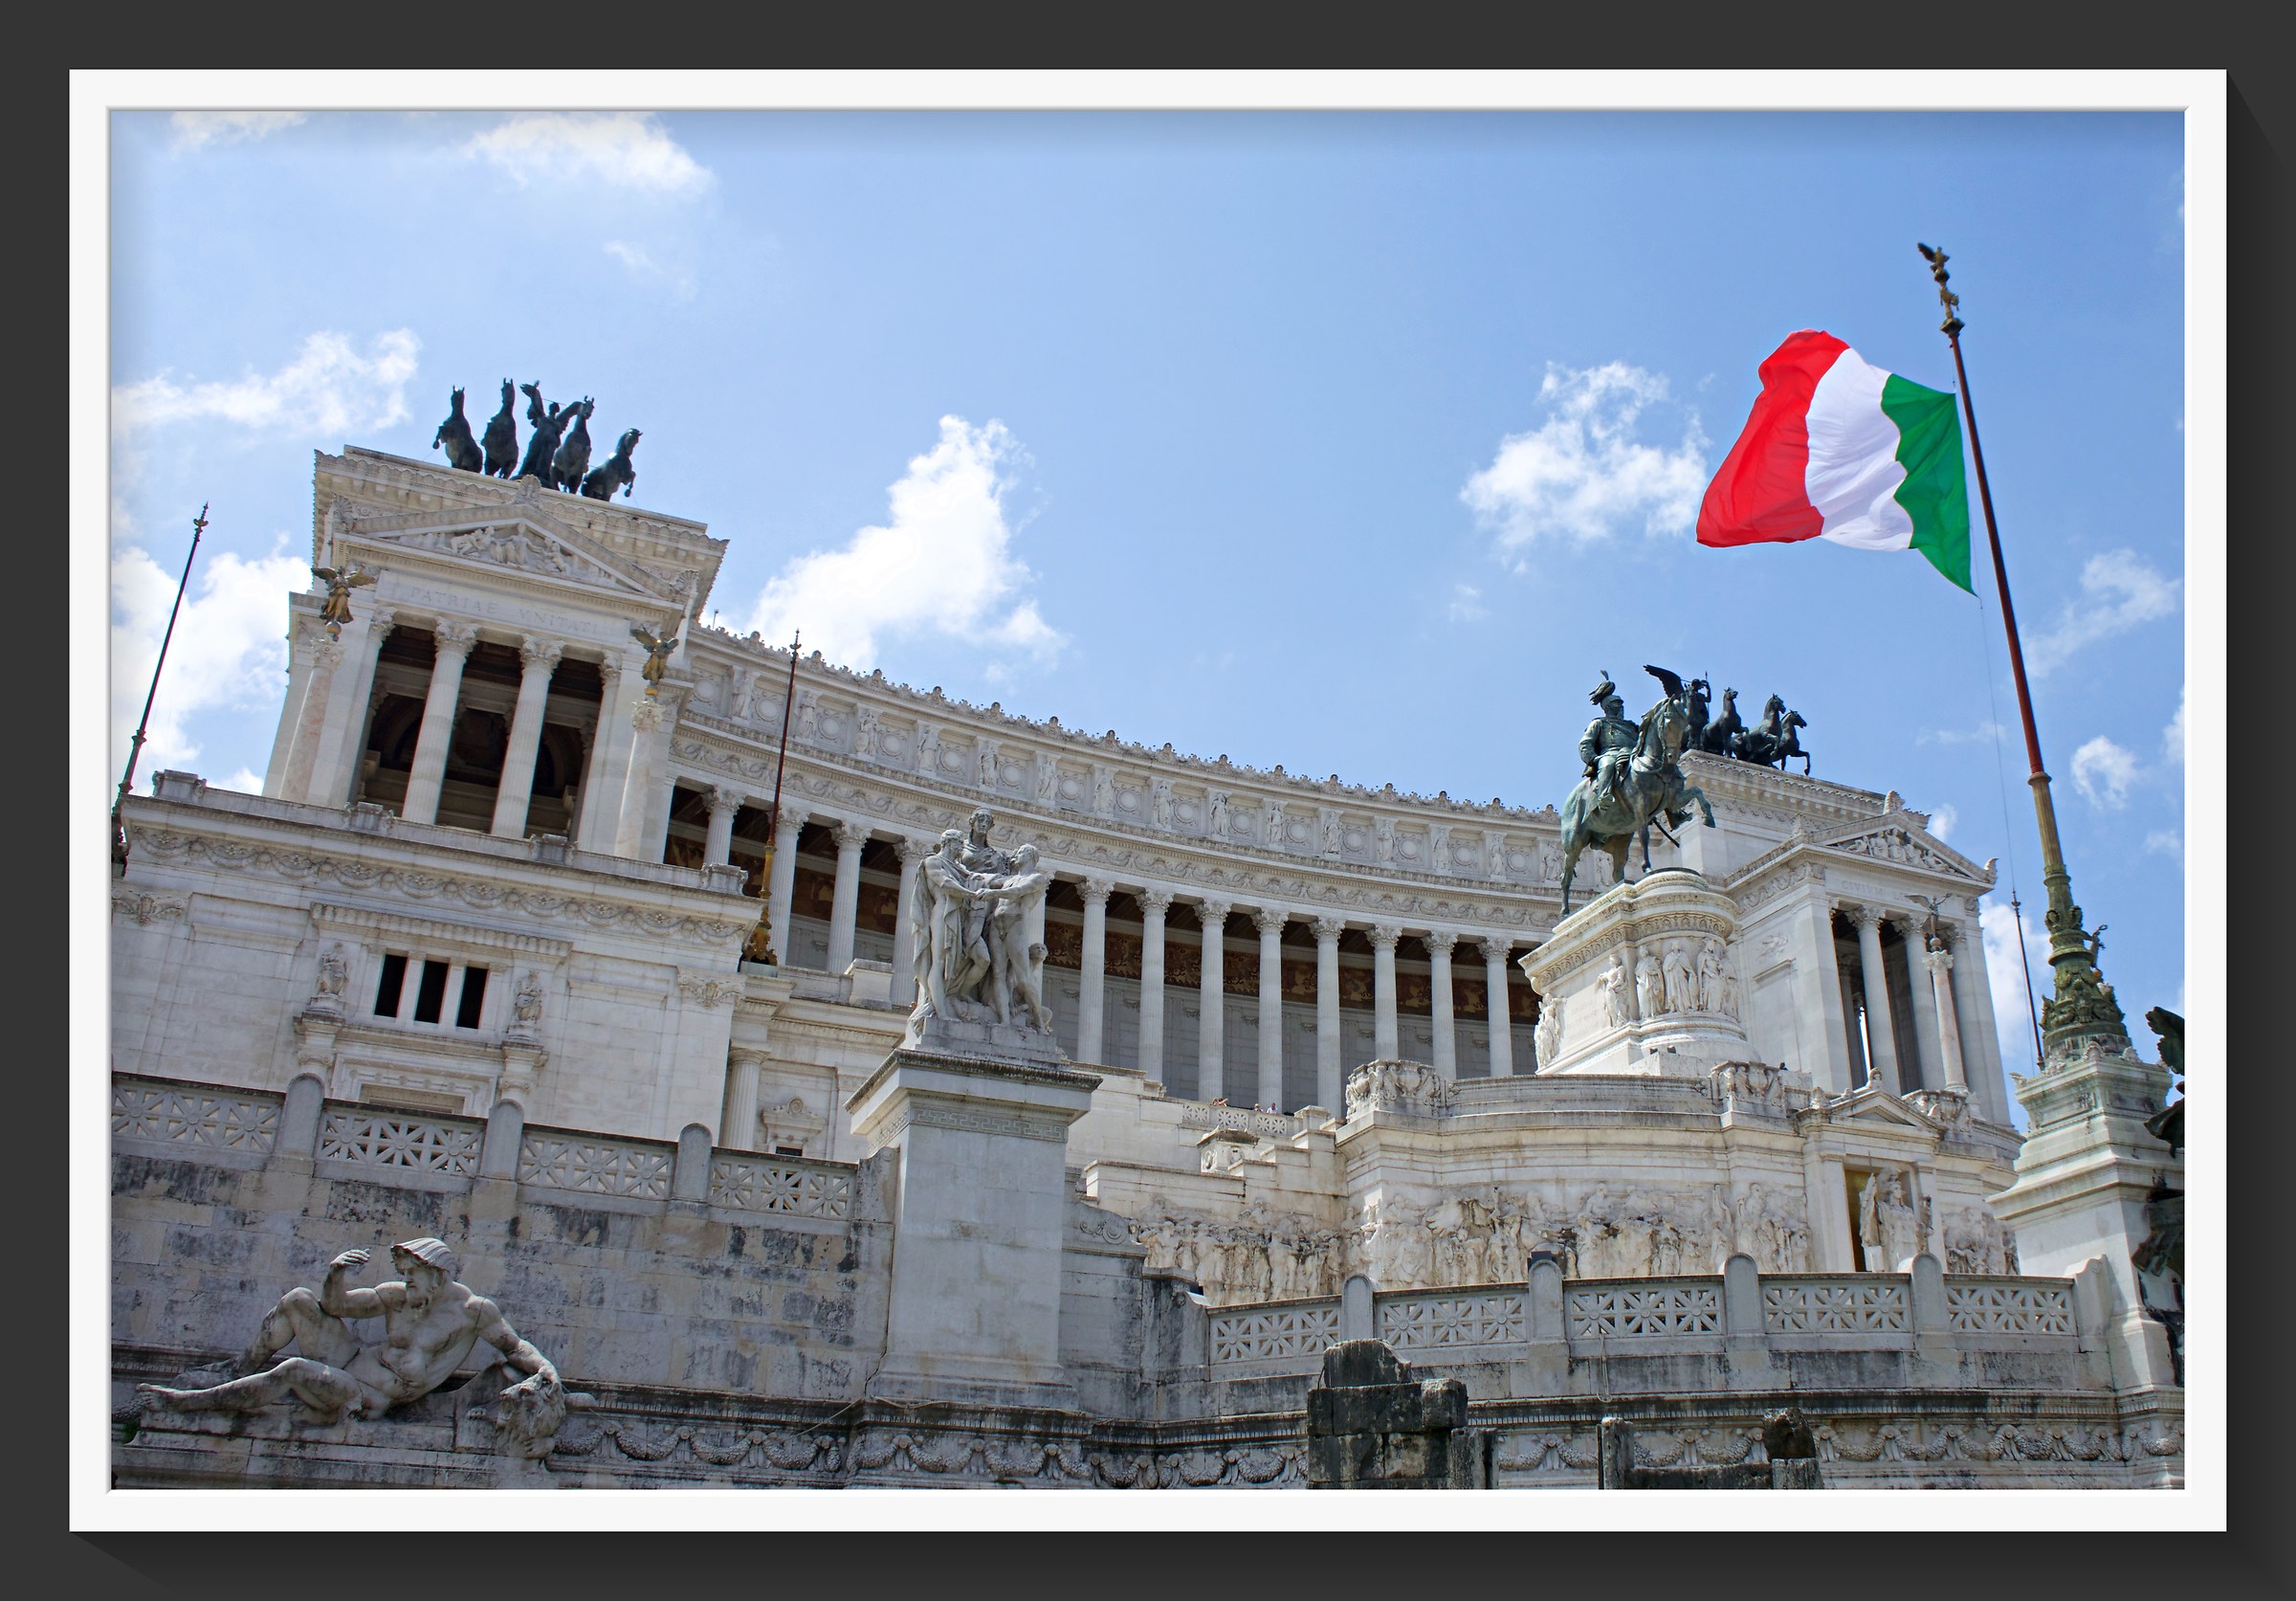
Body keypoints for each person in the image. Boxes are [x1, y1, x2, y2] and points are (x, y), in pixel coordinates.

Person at [137, 1239, 563, 1430]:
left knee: (293, 1370)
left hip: (367, 1394)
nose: (405, 1279)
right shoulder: (397, 1296)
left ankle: (189, 1404)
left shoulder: (473, 1312)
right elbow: (336, 1307)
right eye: (404, 1273)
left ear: (436, 1274)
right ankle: (236, 1370)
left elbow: (515, 1346)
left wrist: (546, 1369)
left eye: (411, 1273)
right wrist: (336, 1273)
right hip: (349, 1358)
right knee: (299, 1299)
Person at [1578, 672, 1640, 816]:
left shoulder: (1632, 726)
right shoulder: (1599, 723)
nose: (1621, 708)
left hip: (1631, 754)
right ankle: (1604, 796)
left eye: (1621, 705)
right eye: (1618, 705)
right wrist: (1594, 758)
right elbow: (1585, 744)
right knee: (1607, 764)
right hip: (1610, 753)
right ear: (1609, 707)